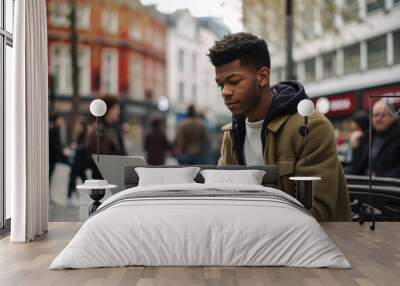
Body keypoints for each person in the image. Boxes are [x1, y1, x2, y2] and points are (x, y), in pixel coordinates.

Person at [208, 32, 351, 221]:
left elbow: (316, 213)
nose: (225, 92)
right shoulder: (231, 134)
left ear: (263, 77)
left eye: (234, 82)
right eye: (221, 85)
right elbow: (221, 200)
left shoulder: (310, 128)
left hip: (312, 246)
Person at [353, 99, 400, 178]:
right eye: (375, 115)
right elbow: (356, 168)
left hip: (388, 187)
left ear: (393, 116)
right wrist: (356, 148)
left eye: (383, 115)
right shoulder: (367, 137)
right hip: (364, 187)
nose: (378, 119)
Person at [88, 95, 127, 178]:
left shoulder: (116, 129)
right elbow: (99, 156)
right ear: (108, 110)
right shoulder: (99, 129)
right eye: (116, 108)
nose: (118, 111)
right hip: (102, 178)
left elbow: (122, 152)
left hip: (116, 175)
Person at [49, 114, 69, 184]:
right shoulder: (54, 129)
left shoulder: (54, 128)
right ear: (57, 120)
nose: (62, 121)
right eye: (61, 120)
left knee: (50, 174)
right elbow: (55, 144)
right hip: (52, 156)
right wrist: (63, 151)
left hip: (52, 156)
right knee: (49, 174)